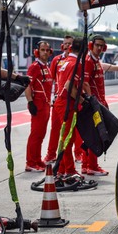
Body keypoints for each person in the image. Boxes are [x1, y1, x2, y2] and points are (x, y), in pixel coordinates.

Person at [82, 34, 118, 176]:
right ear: (91, 45)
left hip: (99, 103)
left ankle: (87, 165)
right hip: (95, 105)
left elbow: (104, 67)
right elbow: (84, 83)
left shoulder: (95, 61)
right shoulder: (89, 61)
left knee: (93, 135)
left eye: (102, 46)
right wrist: (92, 101)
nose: (99, 48)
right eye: (97, 45)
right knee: (96, 136)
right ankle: (92, 166)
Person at [53, 37, 85, 178]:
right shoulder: (76, 63)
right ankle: (70, 171)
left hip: (61, 102)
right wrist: (83, 101)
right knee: (68, 139)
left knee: (66, 138)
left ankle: (61, 169)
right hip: (67, 103)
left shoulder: (64, 61)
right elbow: (69, 86)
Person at [44, 35, 74, 164]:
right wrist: (51, 97)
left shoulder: (75, 60)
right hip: (57, 99)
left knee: (71, 131)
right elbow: (51, 80)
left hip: (69, 101)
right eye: (65, 43)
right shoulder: (56, 60)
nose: (67, 45)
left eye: (70, 43)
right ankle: (50, 154)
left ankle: (76, 155)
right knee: (55, 129)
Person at [24, 41, 54, 172]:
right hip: (38, 105)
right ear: (37, 51)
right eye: (43, 50)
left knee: (41, 134)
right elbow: (27, 85)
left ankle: (37, 159)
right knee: (35, 135)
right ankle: (30, 162)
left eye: (47, 50)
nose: (45, 52)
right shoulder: (34, 67)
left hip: (46, 105)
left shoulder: (47, 67)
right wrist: (30, 102)